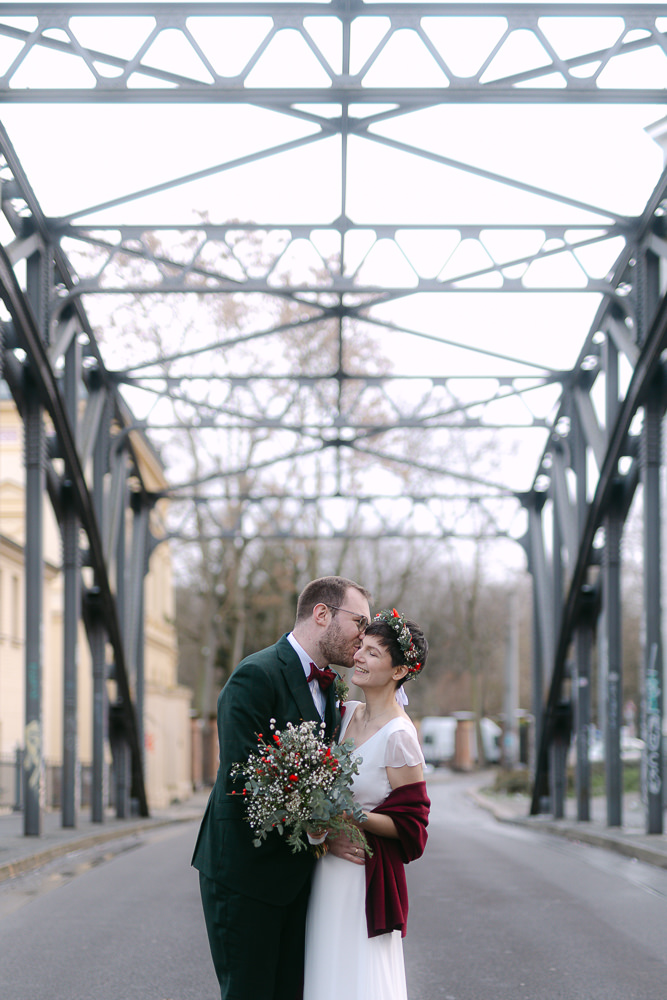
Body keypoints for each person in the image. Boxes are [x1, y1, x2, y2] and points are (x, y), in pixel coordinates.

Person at [191, 575, 372, 1000]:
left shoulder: (332, 689)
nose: (364, 638)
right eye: (359, 622)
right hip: (244, 876)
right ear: (322, 614)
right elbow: (243, 778)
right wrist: (325, 832)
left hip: (298, 879)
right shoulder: (255, 675)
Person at [303, 608, 430, 1000]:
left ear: (398, 671)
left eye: (373, 653)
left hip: (362, 876)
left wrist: (353, 816)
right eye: (361, 647)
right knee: (324, 972)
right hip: (325, 870)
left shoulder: (400, 736)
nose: (358, 656)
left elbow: (413, 827)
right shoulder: (345, 714)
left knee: (357, 980)